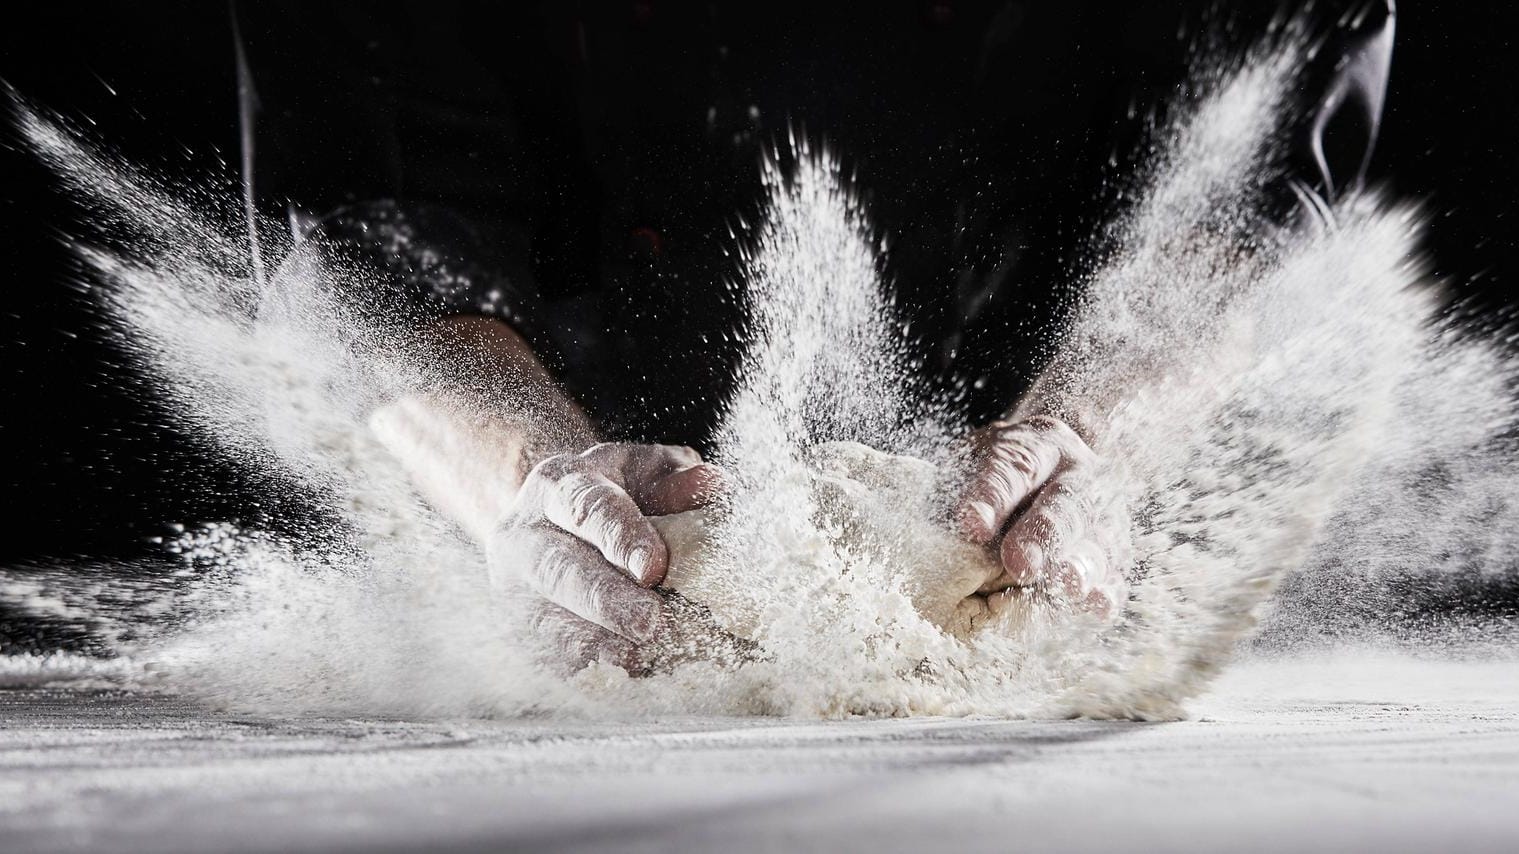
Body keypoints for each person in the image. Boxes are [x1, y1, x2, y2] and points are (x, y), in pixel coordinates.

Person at [236, 1, 1393, 670]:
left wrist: (1096, 423)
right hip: (599, 463)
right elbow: (361, 218)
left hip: (1039, 465)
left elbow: (1250, 192)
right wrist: (517, 464)